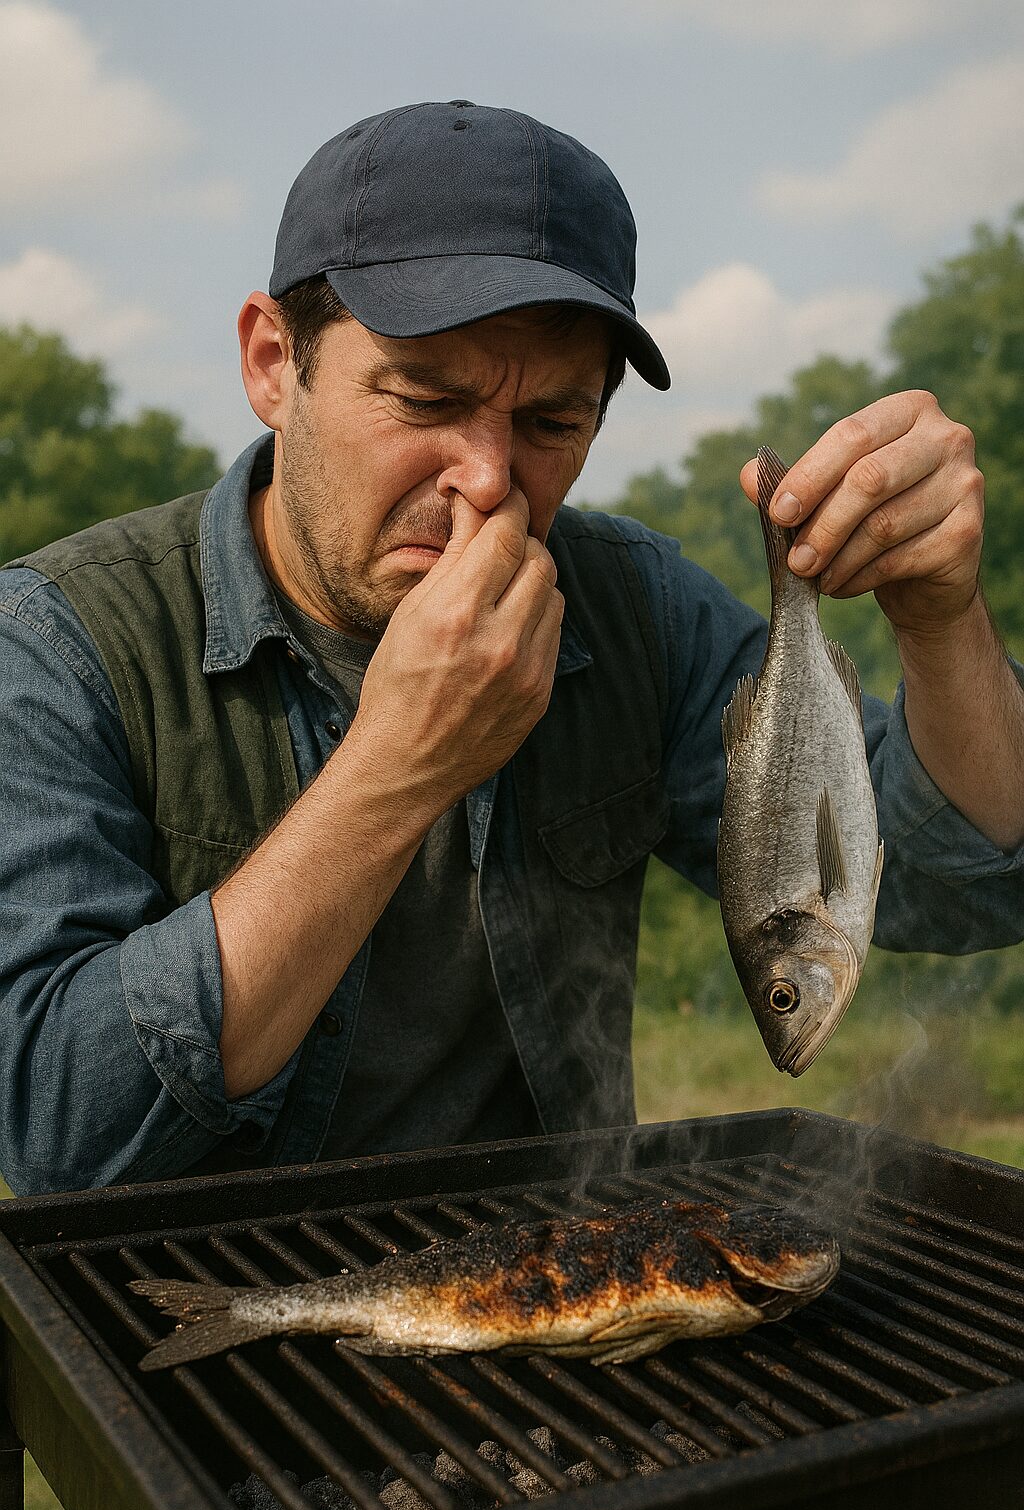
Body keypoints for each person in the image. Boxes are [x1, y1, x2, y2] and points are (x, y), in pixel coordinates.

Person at [1, 101, 1022, 1196]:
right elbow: (57, 1128)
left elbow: (952, 885)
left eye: (550, 424)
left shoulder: (631, 608)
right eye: (424, 398)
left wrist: (940, 621)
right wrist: (397, 770)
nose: (488, 480)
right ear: (270, 361)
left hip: (555, 1302)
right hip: (183, 1333)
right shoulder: (56, 645)